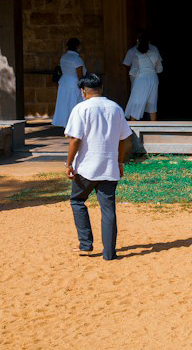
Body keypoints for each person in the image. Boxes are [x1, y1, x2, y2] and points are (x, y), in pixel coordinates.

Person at [65, 73, 133, 261]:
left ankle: (85, 244)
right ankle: (109, 253)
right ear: (101, 88)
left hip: (86, 167)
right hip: (109, 166)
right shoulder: (116, 108)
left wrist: (68, 163)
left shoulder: (81, 108)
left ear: (83, 91)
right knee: (108, 209)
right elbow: (123, 140)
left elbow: (75, 139)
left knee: (77, 200)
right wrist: (119, 162)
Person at [123, 31, 163, 121]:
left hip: (140, 79)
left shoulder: (136, 54)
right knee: (152, 103)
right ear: (148, 41)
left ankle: (133, 125)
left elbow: (132, 70)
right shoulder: (155, 52)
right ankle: (154, 125)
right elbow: (159, 69)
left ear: (138, 41)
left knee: (136, 102)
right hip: (153, 79)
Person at [52, 37, 86, 128]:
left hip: (64, 82)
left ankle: (65, 123)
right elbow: (80, 75)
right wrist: (83, 86)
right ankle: (73, 124)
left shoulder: (64, 57)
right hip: (74, 84)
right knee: (73, 103)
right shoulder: (77, 59)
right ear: (77, 46)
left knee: (64, 104)